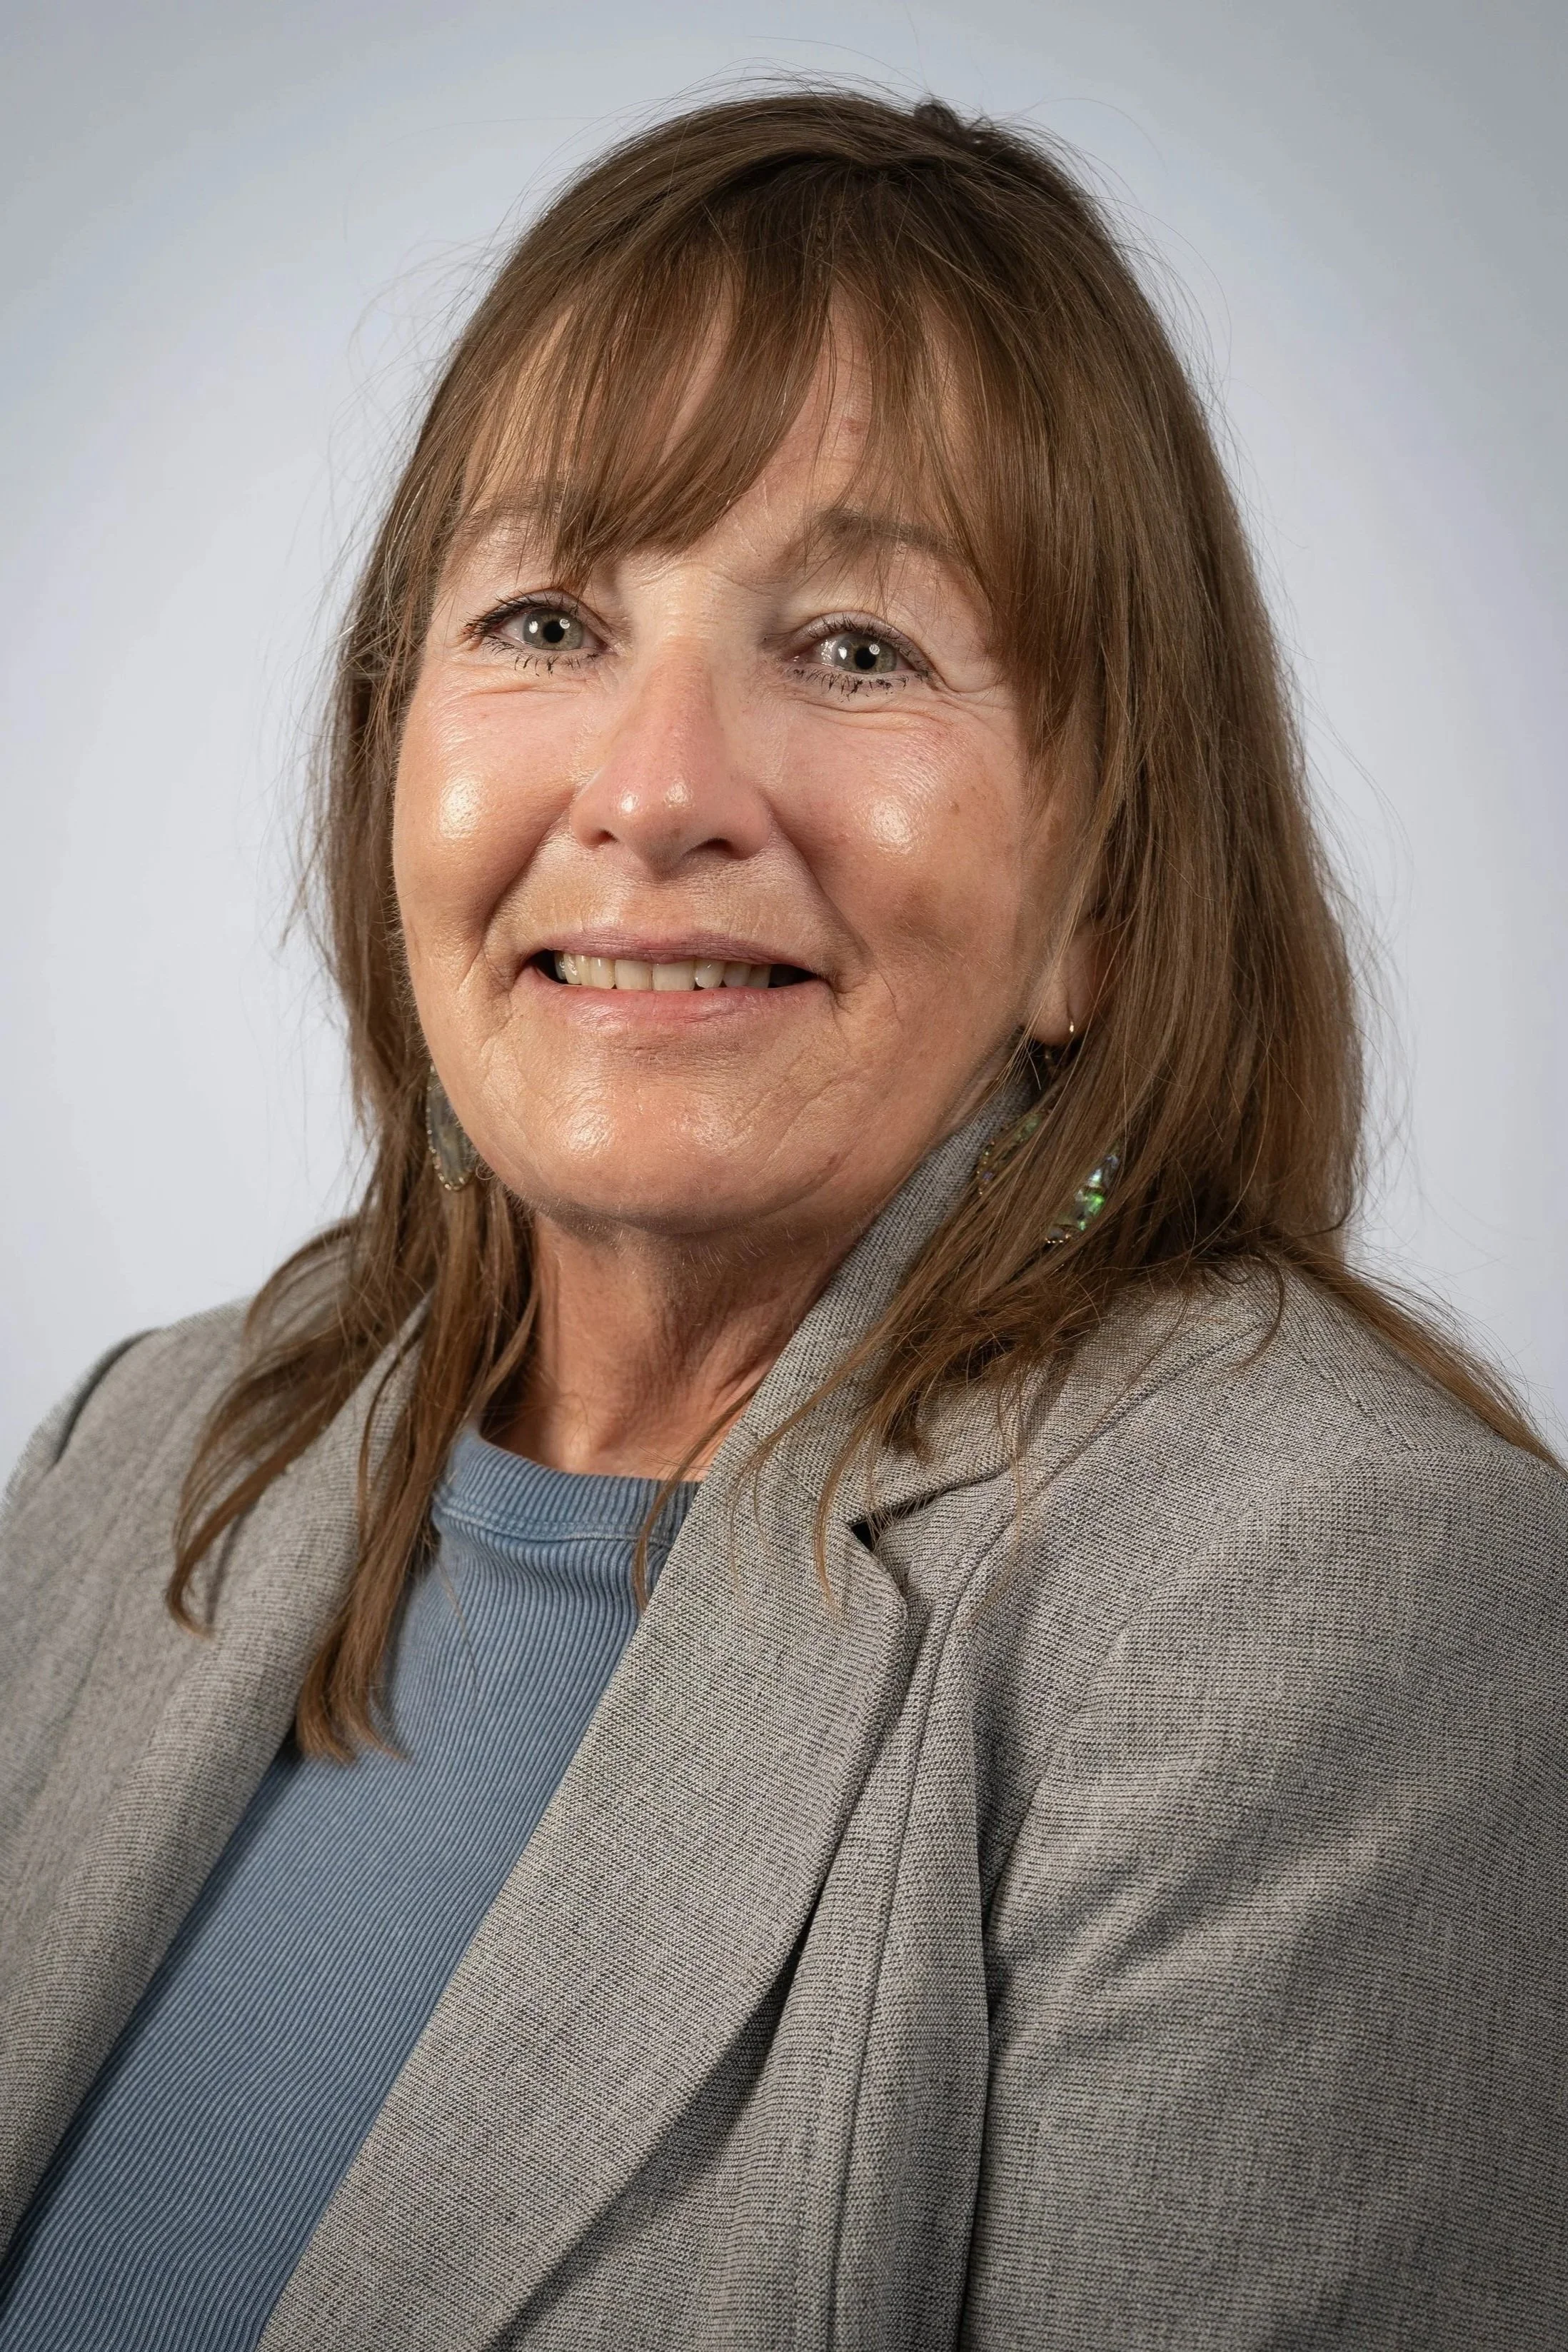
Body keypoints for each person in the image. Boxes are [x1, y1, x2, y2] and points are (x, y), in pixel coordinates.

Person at [0, 87, 1563, 2352]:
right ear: (388, 766)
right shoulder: (159, 1444)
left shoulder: (1329, 1629)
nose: (647, 793)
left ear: (1102, 892)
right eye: (544, 616)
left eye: (853, 649)